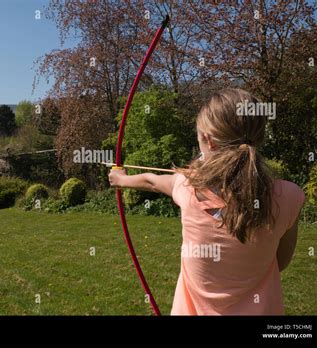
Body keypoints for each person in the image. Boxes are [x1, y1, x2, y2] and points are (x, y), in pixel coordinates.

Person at [108, 89, 305, 315]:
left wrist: (121, 179)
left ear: (209, 141)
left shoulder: (186, 188)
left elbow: (153, 182)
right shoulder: (289, 196)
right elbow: (281, 261)